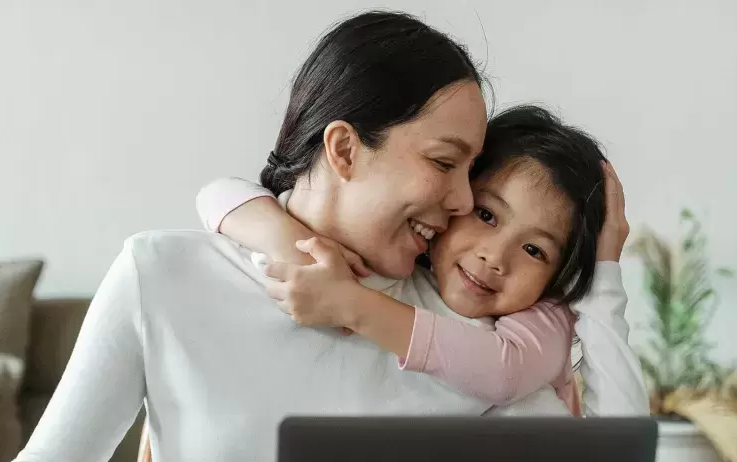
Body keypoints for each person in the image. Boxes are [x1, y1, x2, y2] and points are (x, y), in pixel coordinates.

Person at [0, 10, 646, 462]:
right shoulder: (162, 276)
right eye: (443, 163)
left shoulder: (475, 324)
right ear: (343, 149)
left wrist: (605, 274)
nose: (462, 202)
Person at [194, 105, 623, 414]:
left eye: (535, 250)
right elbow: (217, 193)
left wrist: (352, 305)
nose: (495, 257)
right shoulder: (405, 262)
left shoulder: (547, 316)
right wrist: (290, 242)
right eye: (486, 215)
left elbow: (504, 371)